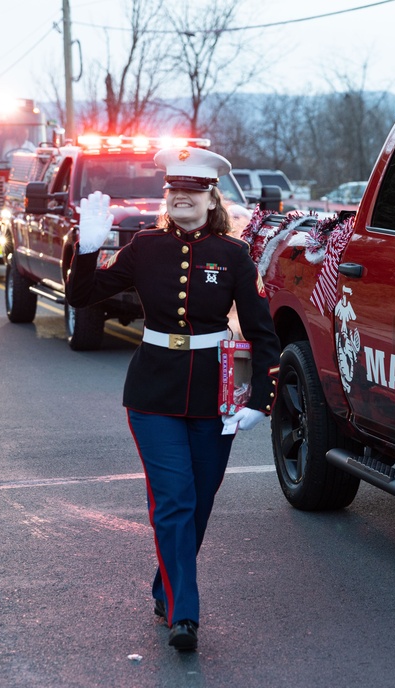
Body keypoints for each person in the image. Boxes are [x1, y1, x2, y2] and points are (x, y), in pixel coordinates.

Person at [66, 146, 281, 652]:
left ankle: (165, 586)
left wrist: (260, 401)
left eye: (193, 190)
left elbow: (261, 331)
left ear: (212, 198)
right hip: (152, 393)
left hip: (216, 395)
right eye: (174, 190)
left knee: (199, 503)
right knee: (175, 500)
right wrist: (87, 249)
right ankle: (184, 612)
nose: (181, 197)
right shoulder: (144, 247)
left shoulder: (233, 255)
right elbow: (82, 297)